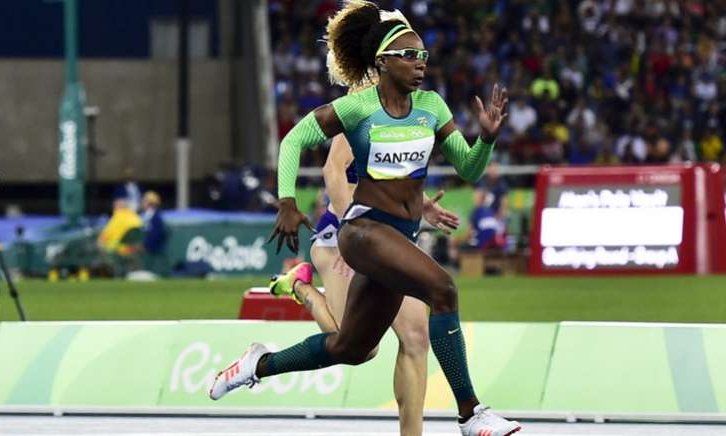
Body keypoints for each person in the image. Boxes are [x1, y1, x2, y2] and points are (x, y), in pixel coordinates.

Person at [210, 2, 520, 435]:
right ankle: (471, 413)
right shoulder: (359, 109)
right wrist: (287, 201)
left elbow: (469, 169)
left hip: (398, 237)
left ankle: (256, 364)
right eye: (410, 56)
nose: (420, 64)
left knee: (351, 347)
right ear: (382, 62)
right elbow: (296, 138)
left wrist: (485, 140)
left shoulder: (432, 107)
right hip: (361, 233)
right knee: (443, 289)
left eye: (424, 56)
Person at [268, 133, 458, 436]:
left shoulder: (397, 114)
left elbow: (390, 178)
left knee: (416, 335)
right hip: (341, 239)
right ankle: (301, 287)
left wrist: (423, 206)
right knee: (359, 348)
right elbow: (333, 171)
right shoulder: (358, 112)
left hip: (384, 236)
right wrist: (350, 232)